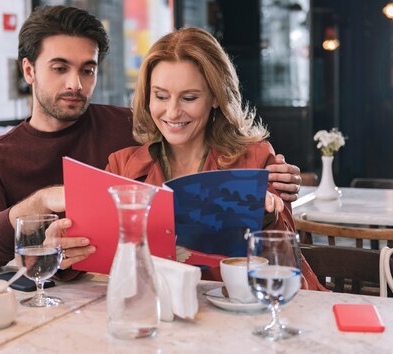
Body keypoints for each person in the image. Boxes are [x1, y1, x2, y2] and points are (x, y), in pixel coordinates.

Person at [0, 5, 302, 274]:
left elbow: (285, 244)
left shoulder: (134, 125)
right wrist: (43, 206)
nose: (75, 84)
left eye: (87, 69)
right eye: (60, 68)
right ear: (29, 71)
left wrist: (277, 188)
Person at [105, 27, 323, 290]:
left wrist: (268, 214)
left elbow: (284, 257)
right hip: (159, 313)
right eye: (161, 96)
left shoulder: (256, 158)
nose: (172, 112)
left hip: (243, 312)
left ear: (216, 98)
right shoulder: (122, 166)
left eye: (189, 98)